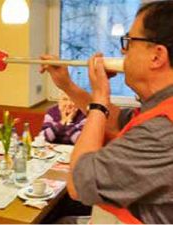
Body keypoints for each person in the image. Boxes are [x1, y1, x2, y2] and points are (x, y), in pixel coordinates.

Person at [41, 1, 173, 223]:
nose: (123, 50)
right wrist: (67, 85)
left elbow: (78, 182)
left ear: (157, 56)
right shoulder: (159, 108)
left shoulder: (163, 131)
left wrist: (101, 96)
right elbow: (114, 123)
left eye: (129, 42)